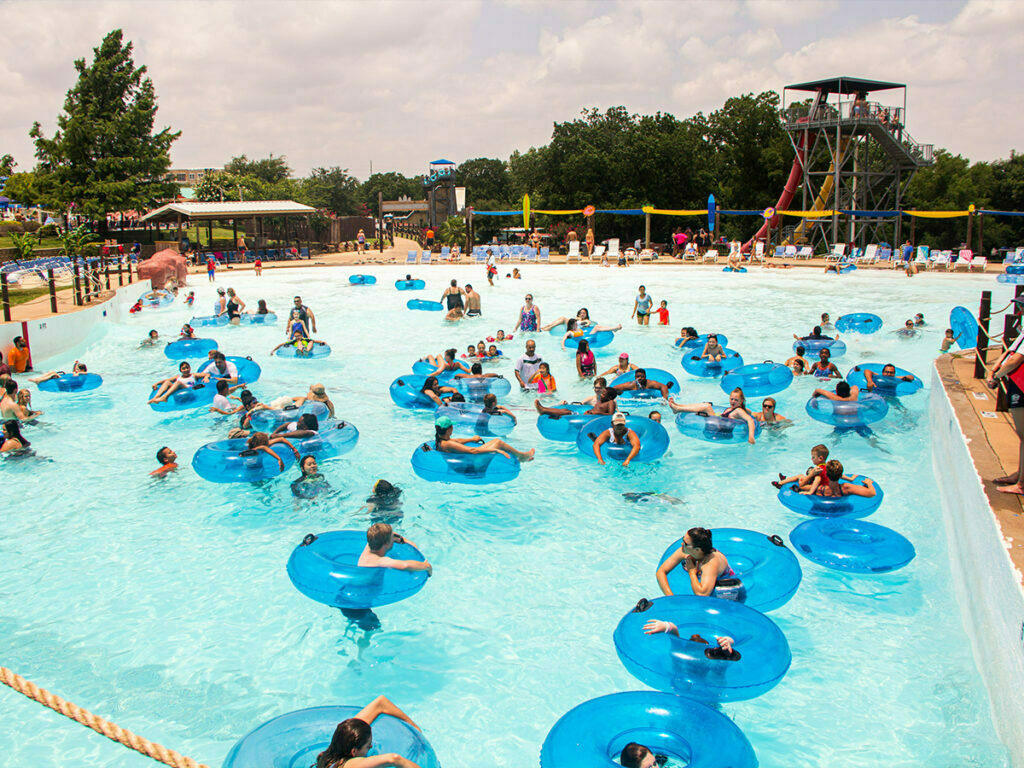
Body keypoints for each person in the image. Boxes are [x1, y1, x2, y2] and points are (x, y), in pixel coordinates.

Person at [315, 695, 427, 768]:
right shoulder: (350, 765)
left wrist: (415, 728)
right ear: (354, 752)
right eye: (368, 746)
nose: (372, 747)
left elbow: (380, 703)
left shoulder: (341, 741)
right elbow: (393, 758)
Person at [656, 526, 744, 600]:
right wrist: (670, 596)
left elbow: (702, 594)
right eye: (683, 540)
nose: (682, 544)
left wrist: (691, 572)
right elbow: (661, 572)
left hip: (722, 587)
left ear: (697, 550)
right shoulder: (684, 551)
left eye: (686, 543)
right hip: (703, 581)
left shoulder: (710, 563)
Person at [987, 331, 1024, 494]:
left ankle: (1022, 483)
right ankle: (1020, 474)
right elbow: (1011, 352)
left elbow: (1016, 359)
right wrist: (995, 370)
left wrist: (996, 376)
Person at [669, 388, 758, 444]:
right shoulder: (731, 409)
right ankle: (679, 406)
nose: (733, 401)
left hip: (719, 433)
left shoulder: (738, 410)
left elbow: (750, 420)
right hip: (716, 428)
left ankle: (678, 408)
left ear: (741, 401)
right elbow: (748, 412)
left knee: (707, 406)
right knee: (706, 405)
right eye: (731, 399)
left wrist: (751, 436)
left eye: (736, 400)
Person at [433, 415, 535, 461]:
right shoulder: (448, 444)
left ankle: (521, 455)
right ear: (449, 429)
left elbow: (457, 441)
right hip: (471, 466)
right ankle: (522, 456)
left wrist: (472, 439)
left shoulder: (441, 440)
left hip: (468, 463)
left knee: (495, 441)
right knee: (498, 443)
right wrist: (496, 450)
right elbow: (473, 451)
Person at [357, 523, 433, 576]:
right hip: (368, 593)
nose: (393, 539)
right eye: (392, 539)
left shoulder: (371, 542)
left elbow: (384, 533)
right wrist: (426, 566)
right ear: (386, 544)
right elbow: (405, 566)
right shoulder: (378, 561)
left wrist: (405, 541)